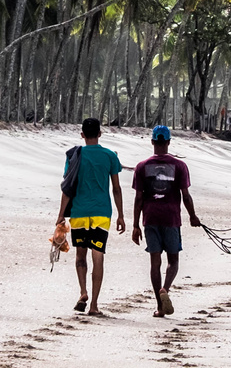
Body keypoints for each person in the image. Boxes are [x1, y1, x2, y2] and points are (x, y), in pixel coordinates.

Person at [56, 117, 125, 315]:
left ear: (82, 135)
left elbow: (67, 188)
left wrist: (60, 215)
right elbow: (117, 188)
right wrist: (121, 215)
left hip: (79, 212)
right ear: (100, 134)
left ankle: (83, 292)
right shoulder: (110, 156)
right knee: (98, 257)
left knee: (80, 256)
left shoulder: (74, 156)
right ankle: (94, 305)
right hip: (102, 213)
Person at [130, 125, 199, 318]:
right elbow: (185, 196)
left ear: (152, 141)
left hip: (150, 217)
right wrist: (193, 216)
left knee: (155, 262)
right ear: (168, 142)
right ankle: (165, 289)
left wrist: (135, 225)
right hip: (171, 218)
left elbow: (138, 199)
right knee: (173, 260)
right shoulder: (180, 166)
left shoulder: (142, 166)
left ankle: (160, 307)